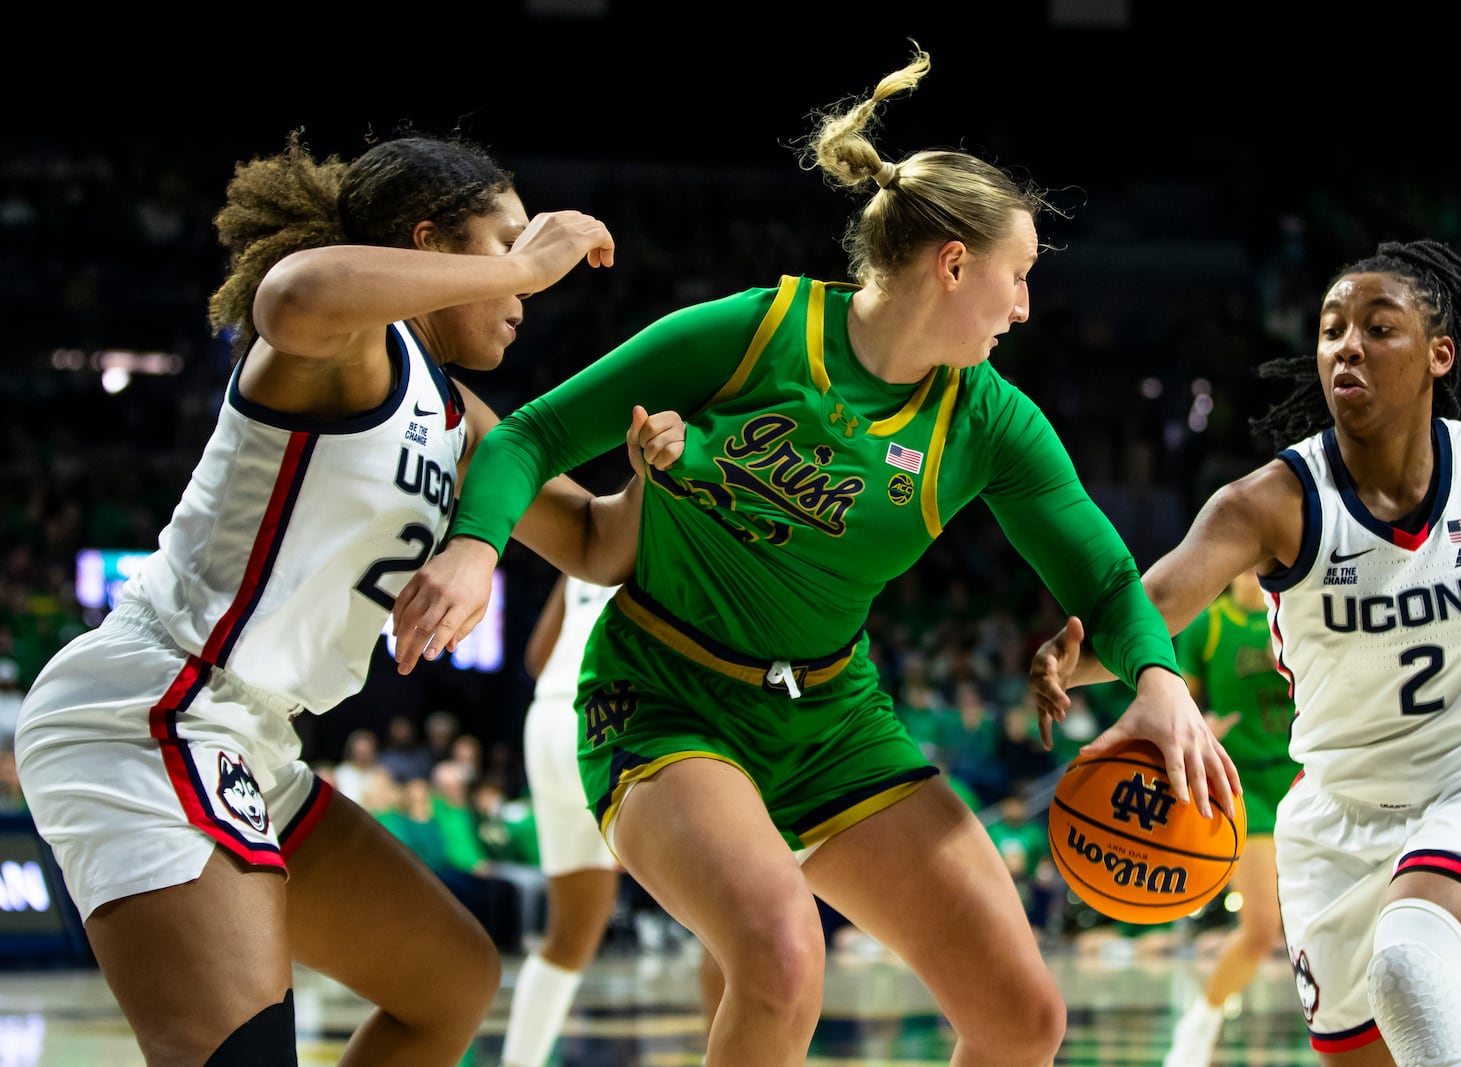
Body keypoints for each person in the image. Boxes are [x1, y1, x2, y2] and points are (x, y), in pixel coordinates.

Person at [392, 45, 1236, 1067]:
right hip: (665, 694)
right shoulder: (754, 332)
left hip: (832, 716)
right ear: (953, 264)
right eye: (1018, 277)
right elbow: (526, 437)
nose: (1023, 308)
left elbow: (1103, 576)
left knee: (1023, 1018)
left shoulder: (991, 422)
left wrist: (1157, 678)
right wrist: (476, 549)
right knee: (784, 956)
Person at [12, 130, 685, 1066]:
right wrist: (536, 263)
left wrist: (655, 473)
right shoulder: (350, 351)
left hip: (249, 735)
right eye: (505, 241)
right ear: (428, 246)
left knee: (450, 981)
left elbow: (595, 546)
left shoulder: (463, 419)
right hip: (156, 711)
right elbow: (292, 291)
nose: (529, 294)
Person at [1032, 239, 1461, 1066]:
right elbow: (1147, 611)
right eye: (1331, 330)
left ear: (1439, 354)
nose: (1347, 345)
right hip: (1335, 823)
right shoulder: (1269, 504)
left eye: (1377, 326)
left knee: (1411, 971)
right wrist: (1064, 660)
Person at [1163, 569, 1296, 1067]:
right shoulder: (1207, 625)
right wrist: (1199, 727)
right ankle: (1203, 1020)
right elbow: (1180, 706)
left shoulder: (1299, 609)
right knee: (1262, 929)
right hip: (1245, 788)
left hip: (1307, 776)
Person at [502, 573, 622, 1067]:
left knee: (569, 934)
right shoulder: (688, 515)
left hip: (549, 718)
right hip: (608, 715)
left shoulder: (599, 524)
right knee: (729, 916)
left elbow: (537, 656)